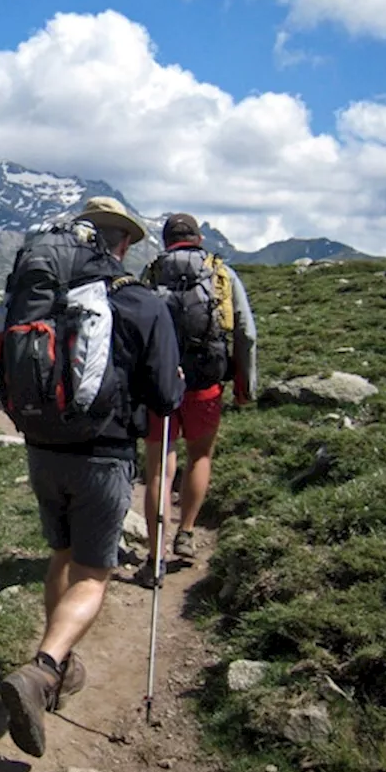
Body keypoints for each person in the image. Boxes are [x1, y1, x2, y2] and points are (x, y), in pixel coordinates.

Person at [0, 196, 184, 758]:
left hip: (41, 447)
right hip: (103, 453)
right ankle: (43, 668)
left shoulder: (34, 297)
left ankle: (60, 660)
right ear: (120, 243)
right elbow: (167, 397)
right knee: (95, 573)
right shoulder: (138, 302)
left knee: (60, 555)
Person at [136, 213, 256, 586]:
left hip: (162, 383)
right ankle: (186, 533)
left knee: (158, 467)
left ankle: (154, 557)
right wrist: (244, 386)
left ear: (166, 239)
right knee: (200, 455)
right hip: (206, 383)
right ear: (199, 237)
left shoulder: (152, 272)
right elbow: (245, 331)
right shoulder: (220, 273)